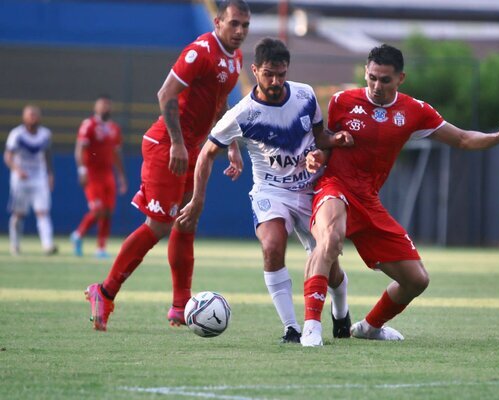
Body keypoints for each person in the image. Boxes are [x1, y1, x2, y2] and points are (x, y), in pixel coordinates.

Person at [300, 44, 499, 347]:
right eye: (371, 77)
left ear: (401, 79)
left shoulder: (414, 111)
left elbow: (461, 138)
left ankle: (369, 327)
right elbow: (326, 142)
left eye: (385, 80)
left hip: (368, 200)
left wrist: (496, 138)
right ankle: (311, 327)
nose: (376, 86)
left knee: (417, 280)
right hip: (335, 187)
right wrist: (317, 155)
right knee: (330, 239)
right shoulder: (343, 101)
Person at [85, 0, 251, 331]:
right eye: (234, 24)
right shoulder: (200, 51)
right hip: (166, 145)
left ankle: (180, 306)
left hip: (192, 148)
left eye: (245, 26)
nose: (240, 32)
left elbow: (220, 106)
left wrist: (231, 145)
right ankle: (104, 291)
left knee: (186, 221)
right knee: (160, 224)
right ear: (217, 22)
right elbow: (166, 94)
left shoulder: (236, 59)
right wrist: (176, 142)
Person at [177, 37, 354, 343]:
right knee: (272, 247)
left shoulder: (305, 96)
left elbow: (320, 137)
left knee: (330, 261)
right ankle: (290, 328)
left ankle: (341, 314)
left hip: (310, 190)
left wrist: (334, 141)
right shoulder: (243, 113)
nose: (275, 81)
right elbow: (206, 153)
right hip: (270, 191)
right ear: (255, 70)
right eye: (269, 74)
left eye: (281, 74)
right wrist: (196, 201)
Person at [71, 95, 127, 258]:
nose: (105, 108)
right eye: (102, 105)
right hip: (92, 173)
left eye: (107, 105)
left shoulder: (114, 128)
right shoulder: (89, 125)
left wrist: (121, 176)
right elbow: (79, 149)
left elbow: (116, 154)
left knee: (108, 211)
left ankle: (101, 248)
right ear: (95, 107)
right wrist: (82, 170)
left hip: (107, 174)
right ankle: (78, 234)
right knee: (97, 210)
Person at [4, 105, 58, 256]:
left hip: (39, 178)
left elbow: (47, 156)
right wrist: (17, 170)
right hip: (21, 179)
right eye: (30, 115)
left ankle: (47, 245)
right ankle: (15, 245)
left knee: (43, 212)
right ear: (24, 117)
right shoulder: (17, 134)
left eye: (35, 114)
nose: (33, 117)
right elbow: (8, 156)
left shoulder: (45, 134)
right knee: (19, 214)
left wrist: (50, 174)